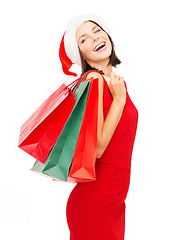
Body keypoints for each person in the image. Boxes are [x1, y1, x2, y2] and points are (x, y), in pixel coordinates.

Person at [59, 13, 138, 240]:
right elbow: (98, 148)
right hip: (95, 204)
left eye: (96, 30)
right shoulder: (94, 81)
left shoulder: (113, 83)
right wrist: (120, 99)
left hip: (114, 202)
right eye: (83, 39)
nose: (94, 38)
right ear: (80, 54)